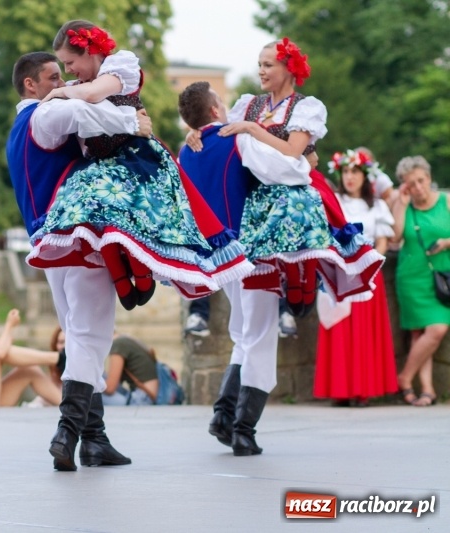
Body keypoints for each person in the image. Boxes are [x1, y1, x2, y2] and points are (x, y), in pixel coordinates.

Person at [28, 20, 253, 310]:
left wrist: (60, 93)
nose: (69, 70)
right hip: (100, 163)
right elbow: (82, 102)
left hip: (136, 158)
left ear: (88, 50)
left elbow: (95, 94)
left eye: (70, 62)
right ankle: (122, 279)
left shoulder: (120, 67)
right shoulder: (77, 87)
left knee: (137, 214)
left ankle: (142, 274)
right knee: (91, 212)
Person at [6, 50, 153, 471]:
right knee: (92, 336)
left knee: (79, 335)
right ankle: (67, 433)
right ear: (30, 85)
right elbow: (83, 116)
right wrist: (134, 123)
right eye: (53, 77)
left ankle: (94, 440)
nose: (62, 84)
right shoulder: (45, 114)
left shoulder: (19, 126)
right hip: (78, 239)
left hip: (50, 244)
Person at [187, 39, 383, 313]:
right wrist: (196, 131)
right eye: (259, 65)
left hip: (298, 182)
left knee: (297, 208)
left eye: (268, 65)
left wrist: (254, 130)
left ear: (289, 69)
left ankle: (304, 279)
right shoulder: (249, 105)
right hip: (260, 187)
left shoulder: (305, 107)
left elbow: (293, 152)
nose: (261, 71)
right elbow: (222, 131)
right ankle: (289, 284)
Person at [178, 80, 313, 456]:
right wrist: (305, 160)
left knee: (244, 334)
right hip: (250, 250)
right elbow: (288, 170)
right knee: (260, 338)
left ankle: (223, 416)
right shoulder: (237, 140)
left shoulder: (185, 150)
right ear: (216, 111)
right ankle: (244, 428)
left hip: (217, 259)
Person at [313, 149, 397, 406]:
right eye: (346, 172)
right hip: (339, 271)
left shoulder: (377, 206)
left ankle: (363, 389)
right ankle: (340, 390)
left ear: (365, 176)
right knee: (339, 329)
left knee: (364, 333)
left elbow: (382, 241)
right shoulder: (333, 201)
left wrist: (366, 262)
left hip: (368, 274)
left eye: (355, 172)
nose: (350, 177)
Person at [391, 156, 450, 406]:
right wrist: (401, 204)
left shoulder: (446, 202)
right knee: (418, 333)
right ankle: (427, 389)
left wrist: (447, 243)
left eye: (421, 181)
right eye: (410, 184)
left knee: (436, 329)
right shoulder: (404, 203)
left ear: (429, 177)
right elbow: (394, 237)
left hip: (441, 277)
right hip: (411, 276)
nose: (417, 188)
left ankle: (404, 377)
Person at [102, 335, 158, 406]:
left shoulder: (118, 344)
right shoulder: (127, 340)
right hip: (145, 396)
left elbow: (110, 388)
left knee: (90, 392)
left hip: (141, 400)